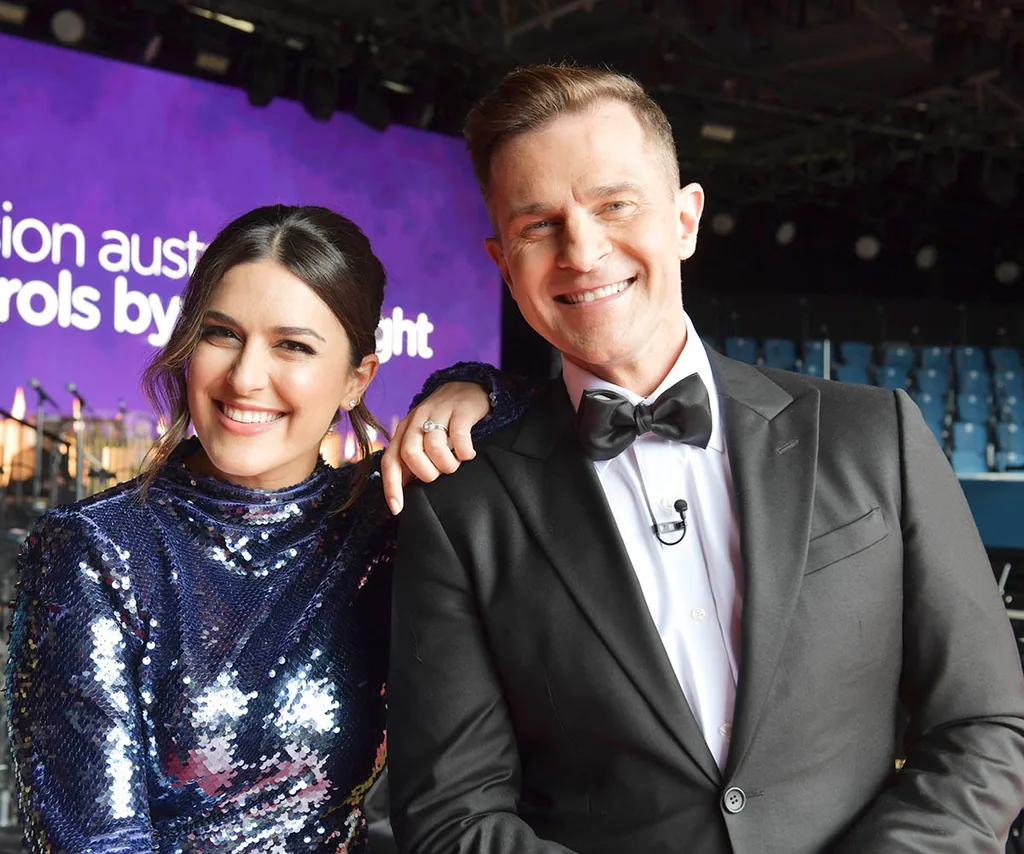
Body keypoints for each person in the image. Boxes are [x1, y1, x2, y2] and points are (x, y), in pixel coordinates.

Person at [387, 65, 1024, 854]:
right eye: (538, 226)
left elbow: (985, 720)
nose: (582, 251)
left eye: (615, 205)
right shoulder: (462, 504)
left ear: (685, 219)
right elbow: (451, 816)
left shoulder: (876, 434)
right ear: (503, 263)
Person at [5, 204, 530, 852]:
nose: (246, 377)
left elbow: (547, 417)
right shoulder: (95, 548)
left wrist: (467, 389)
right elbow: (93, 841)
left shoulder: (380, 520)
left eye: (293, 345)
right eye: (221, 333)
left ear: (355, 379)